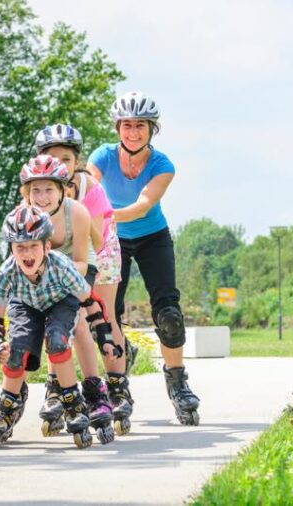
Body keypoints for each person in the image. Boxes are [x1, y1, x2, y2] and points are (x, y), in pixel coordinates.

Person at [86, 91, 200, 426]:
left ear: (152, 129)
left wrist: (100, 214)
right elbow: (87, 185)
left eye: (140, 126)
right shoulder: (102, 156)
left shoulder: (162, 165)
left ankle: (178, 382)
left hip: (152, 236)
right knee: (107, 317)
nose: (133, 132)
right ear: (117, 127)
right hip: (112, 239)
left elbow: (141, 206)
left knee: (168, 313)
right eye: (127, 125)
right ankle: (118, 383)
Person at [0, 205, 121, 450]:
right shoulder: (7, 272)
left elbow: (91, 304)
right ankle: (7, 407)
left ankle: (73, 403)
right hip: (25, 304)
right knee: (16, 352)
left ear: (46, 247)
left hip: (61, 301)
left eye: (33, 246)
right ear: (11, 249)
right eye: (20, 247)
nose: (27, 254)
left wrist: (105, 339)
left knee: (57, 341)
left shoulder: (62, 266)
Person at [35, 124, 135, 435]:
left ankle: (117, 388)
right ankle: (56, 387)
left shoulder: (89, 188)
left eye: (66, 158)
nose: (60, 164)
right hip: (60, 253)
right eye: (52, 157)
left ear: (76, 161)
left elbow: (94, 239)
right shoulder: (39, 189)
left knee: (102, 316)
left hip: (99, 247)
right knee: (60, 316)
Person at [19, 154, 120, 443]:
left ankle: (93, 389)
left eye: (49, 189)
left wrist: (48, 268)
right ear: (26, 193)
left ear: (64, 190)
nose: (42, 197)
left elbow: (80, 259)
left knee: (76, 324)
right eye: (35, 190)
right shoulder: (22, 213)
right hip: (41, 267)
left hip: (77, 265)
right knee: (42, 325)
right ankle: (53, 387)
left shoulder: (75, 212)